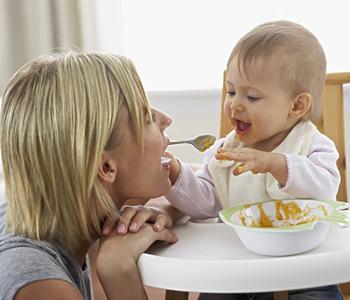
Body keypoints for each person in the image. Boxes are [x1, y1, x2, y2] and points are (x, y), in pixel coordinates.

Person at [164, 20, 343, 299]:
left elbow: (325, 191)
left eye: (252, 96)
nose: (234, 104)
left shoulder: (312, 144)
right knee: (212, 292)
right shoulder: (226, 151)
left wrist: (276, 164)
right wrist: (175, 173)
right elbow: (204, 203)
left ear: (296, 106)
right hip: (236, 266)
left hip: (303, 267)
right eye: (232, 91)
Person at [0, 51, 179, 300]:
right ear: (106, 168)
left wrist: (160, 211)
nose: (167, 120)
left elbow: (185, 185)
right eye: (147, 118)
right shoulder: (38, 284)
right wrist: (119, 271)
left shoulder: (47, 214)